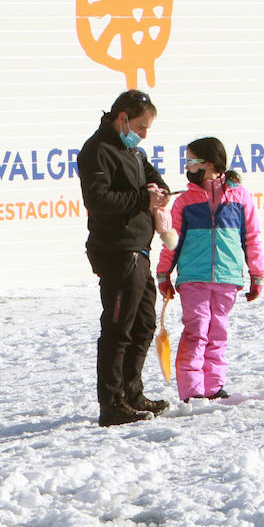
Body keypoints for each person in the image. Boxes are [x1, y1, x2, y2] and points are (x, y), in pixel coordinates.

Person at [77, 89, 173, 427]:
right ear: (123, 118)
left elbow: (155, 181)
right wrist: (141, 199)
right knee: (118, 328)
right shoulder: (97, 151)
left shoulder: (133, 151)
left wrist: (158, 192)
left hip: (140, 249)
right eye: (141, 127)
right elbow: (99, 199)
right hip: (117, 250)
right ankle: (112, 402)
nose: (144, 134)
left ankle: (133, 393)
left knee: (144, 324)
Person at [156, 137, 264, 400]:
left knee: (218, 332)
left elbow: (251, 237)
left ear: (208, 164)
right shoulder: (185, 200)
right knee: (197, 331)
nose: (187, 167)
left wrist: (257, 274)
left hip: (227, 277)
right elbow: (173, 239)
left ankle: (214, 386)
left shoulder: (240, 197)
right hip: (194, 276)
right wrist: (164, 273)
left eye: (191, 161)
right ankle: (192, 391)